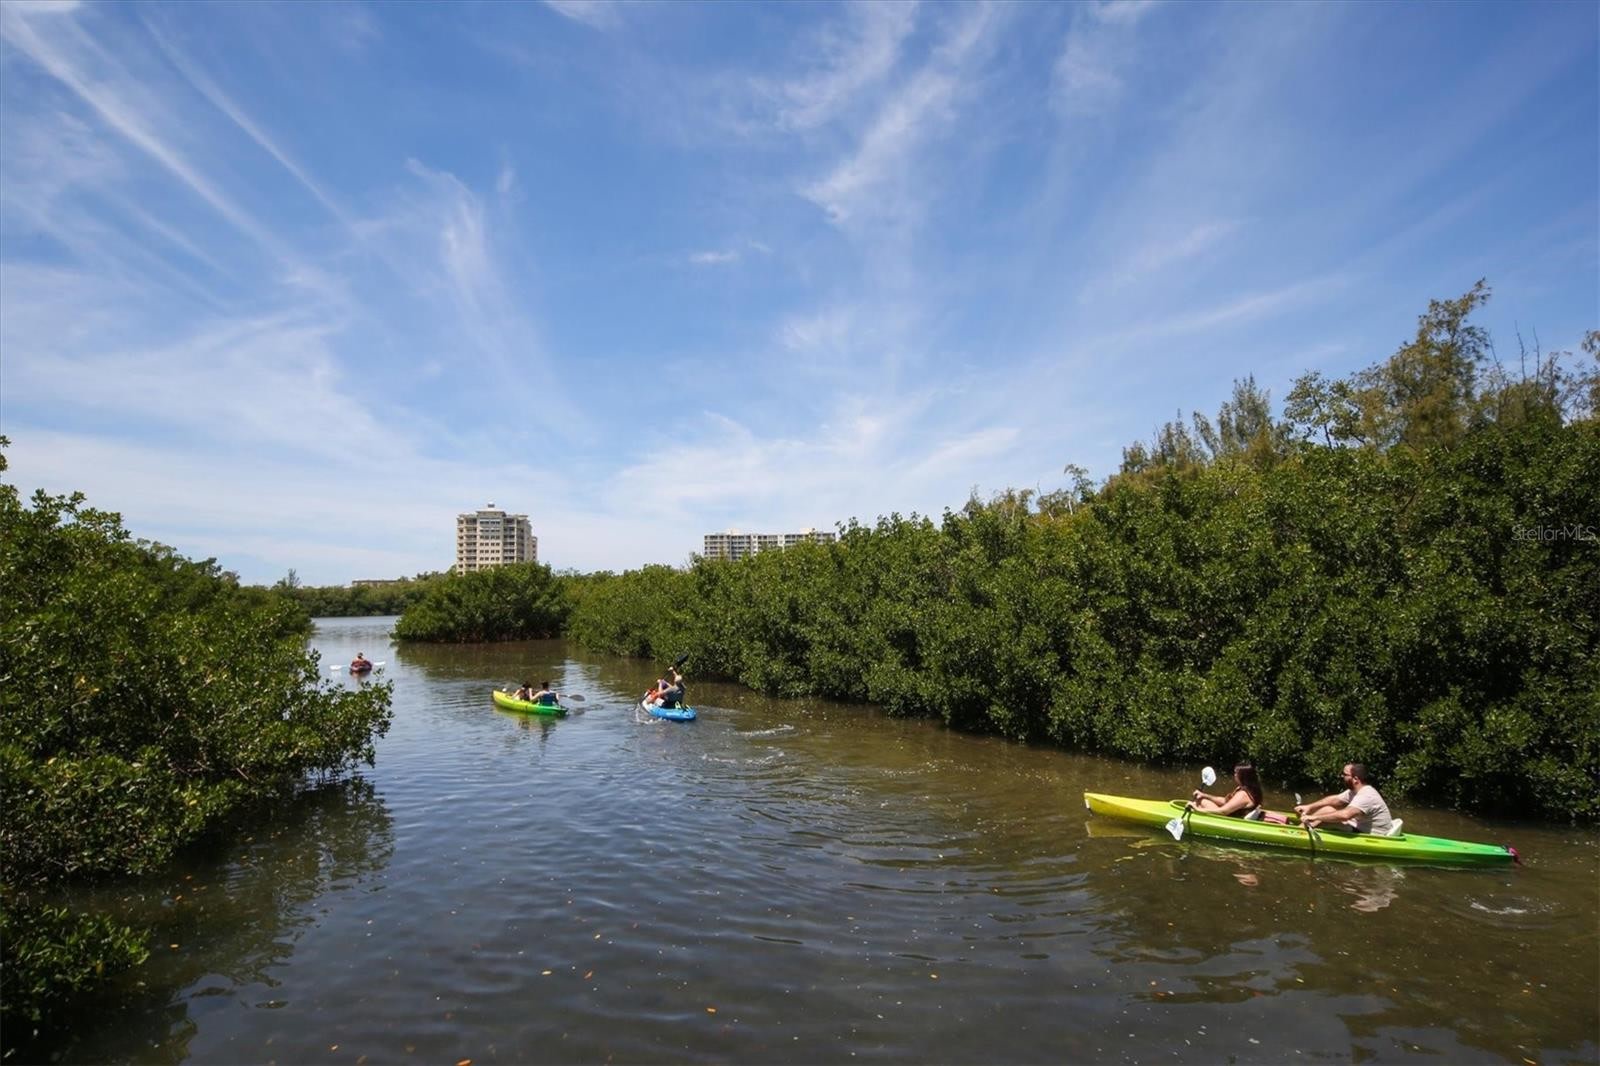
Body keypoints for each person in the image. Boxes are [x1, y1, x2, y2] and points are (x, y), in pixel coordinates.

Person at [1295, 762, 1394, 835]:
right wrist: (1309, 807)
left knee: (1326, 813)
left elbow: (1345, 815)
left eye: (1345, 775)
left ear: (1355, 779)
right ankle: (1300, 829)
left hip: (1369, 834)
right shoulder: (1354, 791)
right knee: (1327, 809)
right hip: (1357, 826)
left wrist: (1315, 817)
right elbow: (1335, 800)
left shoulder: (1366, 796)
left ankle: (1297, 833)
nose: (1342, 776)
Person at [1190, 762, 1264, 818]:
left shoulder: (1243, 795)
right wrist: (1204, 795)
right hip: (1228, 815)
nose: (1234, 775)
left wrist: (1197, 809)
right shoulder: (1246, 788)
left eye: (1236, 773)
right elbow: (1225, 801)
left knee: (1200, 802)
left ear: (1243, 776)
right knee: (1201, 799)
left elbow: (1223, 811)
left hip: (1227, 819)